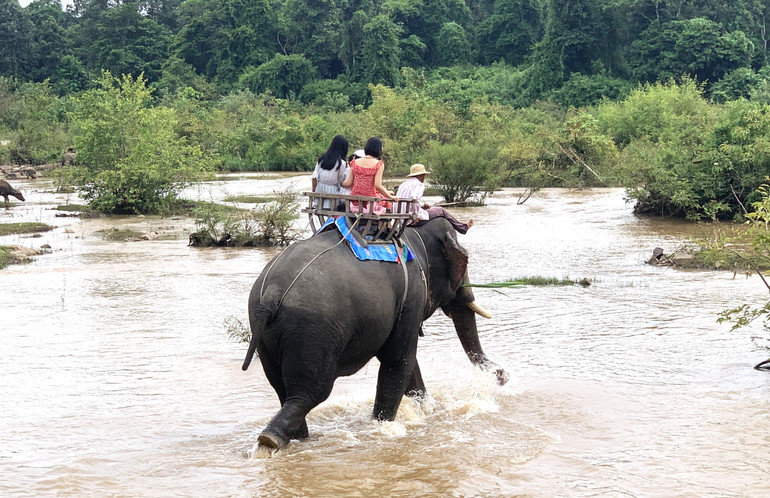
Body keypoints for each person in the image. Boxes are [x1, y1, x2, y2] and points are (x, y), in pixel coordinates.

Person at [396, 163, 473, 234]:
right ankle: (462, 228)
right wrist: (415, 217)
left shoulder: (403, 185)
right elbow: (414, 199)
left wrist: (423, 205)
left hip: (402, 219)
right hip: (411, 219)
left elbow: (408, 200)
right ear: (421, 175)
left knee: (431, 209)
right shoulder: (419, 184)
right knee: (441, 210)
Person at [342, 137, 398, 215]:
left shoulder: (354, 162)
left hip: (355, 201)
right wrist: (390, 196)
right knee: (386, 200)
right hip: (370, 201)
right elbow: (377, 186)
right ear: (379, 150)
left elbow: (348, 183)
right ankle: (386, 225)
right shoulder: (379, 164)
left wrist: (340, 182)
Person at [312, 135, 349, 209]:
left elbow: (314, 177)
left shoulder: (321, 159)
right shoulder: (341, 163)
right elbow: (341, 180)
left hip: (320, 190)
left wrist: (314, 190)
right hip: (333, 192)